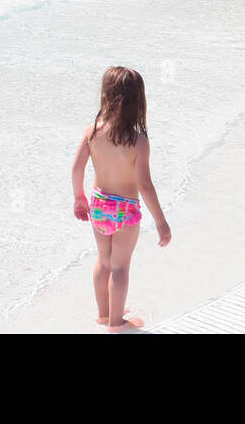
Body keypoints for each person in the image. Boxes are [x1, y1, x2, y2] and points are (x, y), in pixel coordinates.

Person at [71, 66, 171, 332]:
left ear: (105, 97)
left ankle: (103, 315)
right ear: (138, 102)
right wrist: (161, 221)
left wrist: (79, 198)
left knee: (103, 261)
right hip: (126, 210)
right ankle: (117, 323)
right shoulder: (138, 141)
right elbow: (145, 185)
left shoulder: (92, 131)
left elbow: (77, 168)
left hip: (99, 205)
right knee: (120, 267)